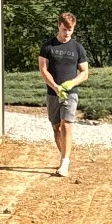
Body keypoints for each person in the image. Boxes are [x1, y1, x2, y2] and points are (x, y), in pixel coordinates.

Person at [38, 12, 90, 178]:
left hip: (70, 93)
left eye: (70, 30)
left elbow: (85, 72)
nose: (67, 33)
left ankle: (65, 162)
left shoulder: (77, 48)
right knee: (56, 128)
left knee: (66, 124)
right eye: (64, 29)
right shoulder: (48, 47)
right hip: (53, 93)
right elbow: (43, 69)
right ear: (58, 26)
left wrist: (71, 83)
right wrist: (54, 86)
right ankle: (64, 155)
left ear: (73, 29)